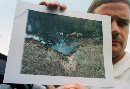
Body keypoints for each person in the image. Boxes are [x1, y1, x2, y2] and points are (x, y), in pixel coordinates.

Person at [39, 0, 130, 89]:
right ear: (88, 26)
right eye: (105, 22)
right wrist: (45, 17)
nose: (115, 30)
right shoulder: (68, 66)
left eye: (122, 23)